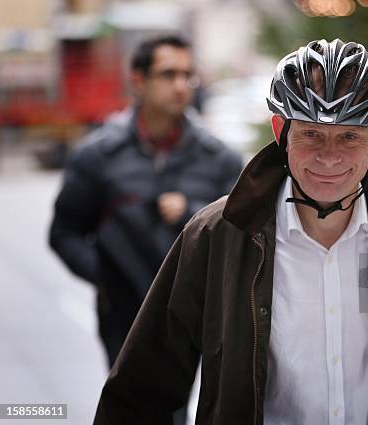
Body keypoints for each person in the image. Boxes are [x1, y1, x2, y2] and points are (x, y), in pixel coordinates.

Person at [93, 39, 368, 425]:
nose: (329, 156)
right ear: (280, 131)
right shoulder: (218, 233)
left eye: (349, 136)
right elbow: (141, 388)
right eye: (311, 134)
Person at [49, 34, 243, 367]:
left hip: (190, 313)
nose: (181, 85)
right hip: (122, 316)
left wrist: (192, 210)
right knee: (126, 406)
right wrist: (108, 278)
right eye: (168, 75)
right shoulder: (98, 155)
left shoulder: (219, 158)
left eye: (187, 75)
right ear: (138, 81)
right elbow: (64, 233)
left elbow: (241, 232)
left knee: (175, 411)